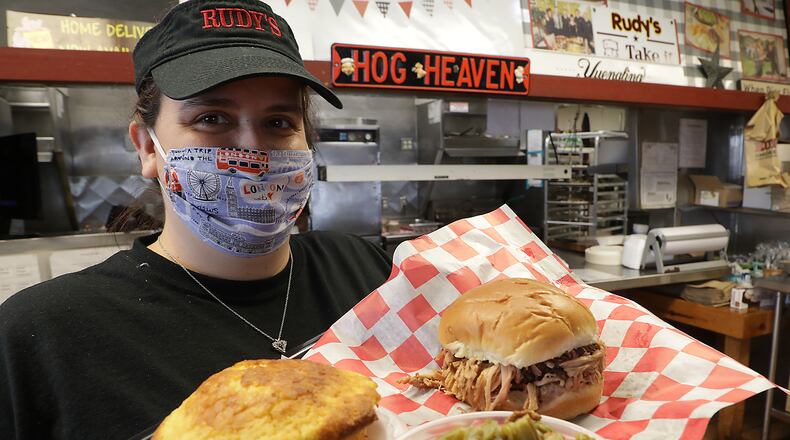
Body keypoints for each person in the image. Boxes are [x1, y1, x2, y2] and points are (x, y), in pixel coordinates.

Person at [0, 1, 393, 439]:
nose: (253, 153)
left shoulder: (366, 270)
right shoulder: (40, 336)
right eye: (211, 118)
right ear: (147, 148)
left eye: (278, 121)